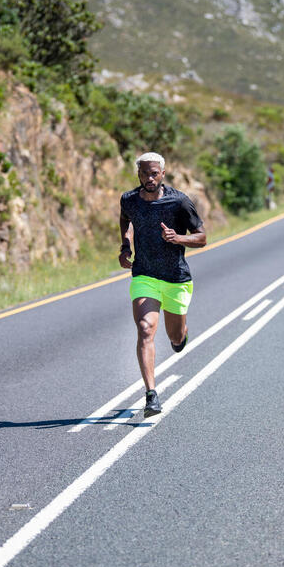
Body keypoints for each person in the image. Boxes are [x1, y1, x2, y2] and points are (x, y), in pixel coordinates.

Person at [119, 152, 206, 417]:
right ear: (139, 174)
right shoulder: (129, 199)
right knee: (145, 329)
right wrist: (125, 245)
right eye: (145, 173)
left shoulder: (179, 202)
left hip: (176, 278)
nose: (149, 178)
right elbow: (126, 218)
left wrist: (178, 238)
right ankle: (151, 395)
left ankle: (181, 335)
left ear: (163, 174)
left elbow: (201, 237)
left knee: (175, 338)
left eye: (154, 173)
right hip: (144, 275)